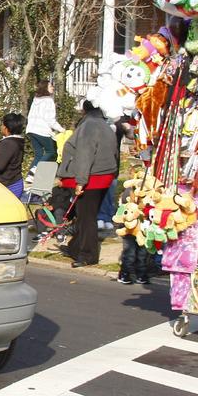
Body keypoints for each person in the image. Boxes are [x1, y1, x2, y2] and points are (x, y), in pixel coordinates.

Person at [56, 97, 119, 268]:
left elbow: (85, 154)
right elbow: (115, 152)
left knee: (86, 218)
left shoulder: (88, 126)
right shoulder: (106, 126)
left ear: (85, 110)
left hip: (91, 177)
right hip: (104, 176)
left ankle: (87, 255)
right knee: (84, 216)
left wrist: (80, 181)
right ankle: (76, 247)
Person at [26, 80, 64, 174]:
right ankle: (36, 168)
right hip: (42, 130)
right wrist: (61, 129)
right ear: (45, 88)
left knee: (38, 154)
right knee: (50, 152)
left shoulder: (36, 100)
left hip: (31, 129)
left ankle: (30, 175)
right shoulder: (48, 100)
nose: (53, 87)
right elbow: (50, 119)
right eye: (51, 86)